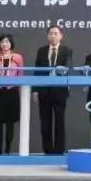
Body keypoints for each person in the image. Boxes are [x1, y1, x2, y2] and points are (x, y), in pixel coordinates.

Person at [34, 26, 73, 154]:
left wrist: (60, 70)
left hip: (60, 91)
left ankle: (59, 150)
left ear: (61, 36)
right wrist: (35, 90)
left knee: (59, 122)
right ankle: (47, 150)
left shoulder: (66, 50)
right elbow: (36, 70)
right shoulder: (41, 51)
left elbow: (68, 66)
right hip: (44, 91)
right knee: (45, 122)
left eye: (56, 33)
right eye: (51, 33)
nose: (53, 36)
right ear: (47, 36)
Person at [0, 34, 24, 155]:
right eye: (2, 42)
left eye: (7, 42)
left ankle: (8, 150)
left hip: (12, 91)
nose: (5, 44)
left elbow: (20, 75)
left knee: (10, 122)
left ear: (11, 44)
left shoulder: (18, 57)